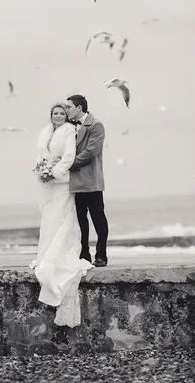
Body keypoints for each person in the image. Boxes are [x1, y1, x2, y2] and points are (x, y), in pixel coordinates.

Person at [30, 102, 94, 327]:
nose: (58, 116)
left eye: (61, 113)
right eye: (54, 113)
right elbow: (40, 156)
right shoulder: (44, 132)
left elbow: (69, 157)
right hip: (48, 186)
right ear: (50, 116)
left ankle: (59, 255)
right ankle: (45, 253)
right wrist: (42, 172)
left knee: (63, 219)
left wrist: (54, 172)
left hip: (63, 183)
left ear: (66, 116)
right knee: (48, 220)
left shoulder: (69, 131)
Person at [66, 94, 109, 267]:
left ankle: (101, 255)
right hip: (75, 183)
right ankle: (84, 254)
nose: (66, 110)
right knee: (80, 221)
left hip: (91, 181)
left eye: (69, 107)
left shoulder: (96, 125)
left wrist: (66, 164)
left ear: (79, 108)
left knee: (98, 218)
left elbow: (91, 152)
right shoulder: (68, 127)